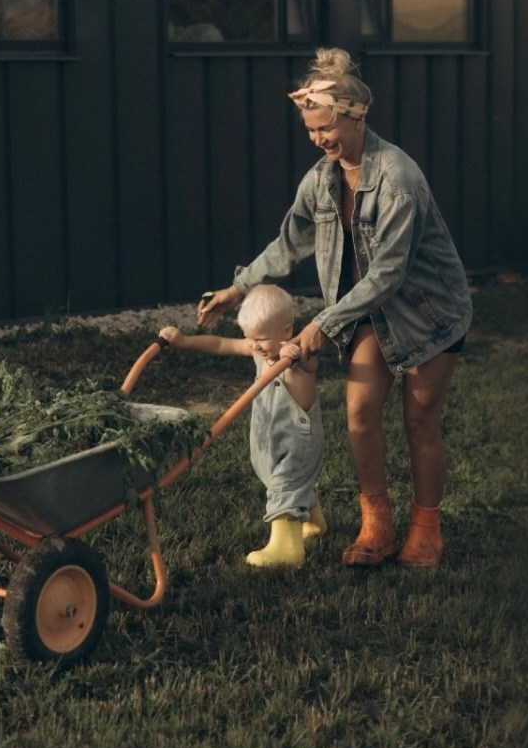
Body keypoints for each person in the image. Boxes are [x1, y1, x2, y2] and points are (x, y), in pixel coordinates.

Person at [197, 48, 472, 570]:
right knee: (360, 416)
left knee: (419, 421)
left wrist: (324, 322)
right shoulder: (321, 178)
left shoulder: (398, 179)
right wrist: (239, 286)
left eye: (324, 129)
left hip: (429, 313)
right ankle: (378, 524)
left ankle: (426, 531)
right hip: (369, 309)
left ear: (353, 116)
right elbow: (290, 241)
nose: (318, 140)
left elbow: (389, 273)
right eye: (309, 132)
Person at [158, 283, 325, 569]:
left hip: (297, 443)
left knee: (285, 483)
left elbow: (310, 366)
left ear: (286, 332)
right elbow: (222, 344)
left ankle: (287, 549)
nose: (255, 346)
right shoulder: (261, 350)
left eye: (260, 338)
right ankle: (313, 521)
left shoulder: (297, 360)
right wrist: (184, 341)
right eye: (250, 339)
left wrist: (298, 355)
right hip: (271, 436)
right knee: (275, 476)